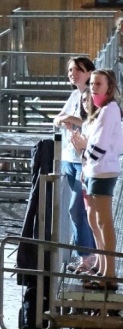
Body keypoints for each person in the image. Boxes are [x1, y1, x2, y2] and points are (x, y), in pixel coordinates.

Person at [71, 70, 123, 290]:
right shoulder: (100, 110)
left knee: (103, 221)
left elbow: (98, 147)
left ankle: (109, 273)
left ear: (109, 87)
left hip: (103, 171)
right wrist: (84, 151)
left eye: (98, 84)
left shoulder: (110, 109)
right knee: (93, 219)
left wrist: (83, 148)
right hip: (93, 170)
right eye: (92, 83)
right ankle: (102, 266)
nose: (93, 87)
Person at [52, 57, 97, 275]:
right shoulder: (74, 94)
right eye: (70, 70)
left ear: (89, 72)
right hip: (69, 158)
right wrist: (65, 118)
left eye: (78, 69)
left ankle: (87, 257)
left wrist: (69, 118)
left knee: (77, 209)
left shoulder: (91, 95)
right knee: (82, 210)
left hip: (84, 159)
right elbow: (59, 117)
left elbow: (90, 120)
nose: (73, 73)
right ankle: (89, 257)